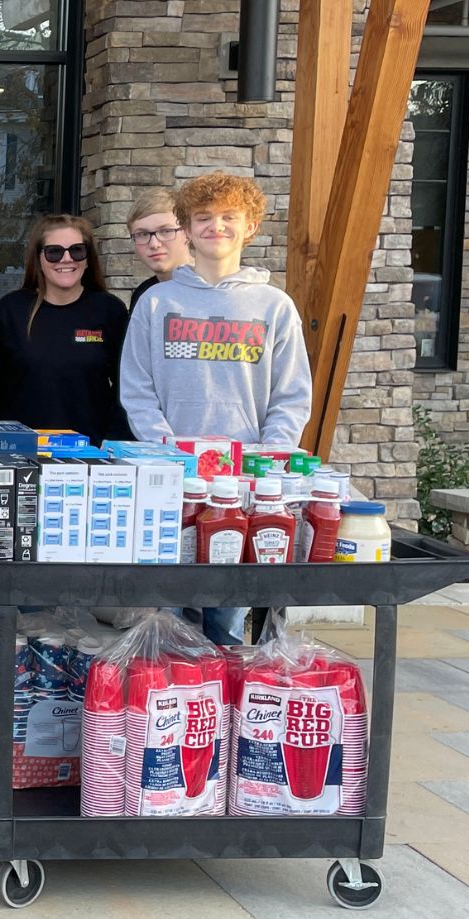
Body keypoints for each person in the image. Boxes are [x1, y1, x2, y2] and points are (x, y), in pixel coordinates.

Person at [120, 171, 312, 645]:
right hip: (172, 482)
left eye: (229, 216)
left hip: (241, 487)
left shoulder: (274, 306)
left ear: (251, 226)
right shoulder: (156, 303)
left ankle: (222, 691)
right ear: (187, 228)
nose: (216, 226)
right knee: (167, 615)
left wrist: (267, 459)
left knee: (226, 617)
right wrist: (166, 450)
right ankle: (175, 691)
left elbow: (291, 396)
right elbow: (137, 390)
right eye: (203, 217)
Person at [0, 214, 131, 442]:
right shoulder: (11, 310)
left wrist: (112, 444)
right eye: (54, 252)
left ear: (88, 258)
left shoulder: (110, 311)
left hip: (89, 452)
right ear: (38, 258)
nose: (66, 259)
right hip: (21, 451)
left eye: (77, 250)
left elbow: (127, 391)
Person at [126, 187, 193, 312]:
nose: (154, 244)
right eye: (143, 234)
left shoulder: (215, 288)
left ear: (188, 232)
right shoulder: (144, 294)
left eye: (166, 231)